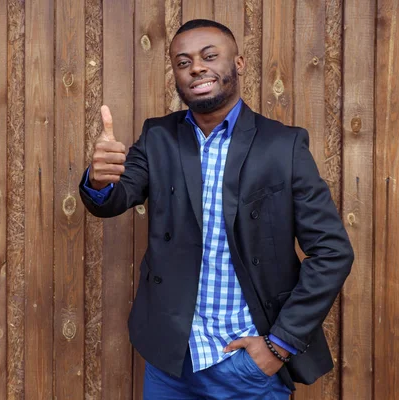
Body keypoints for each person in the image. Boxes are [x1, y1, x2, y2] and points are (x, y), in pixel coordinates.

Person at [79, 19, 354, 399]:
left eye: (210, 56)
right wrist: (99, 180)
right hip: (171, 361)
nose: (196, 67)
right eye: (183, 62)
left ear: (238, 64)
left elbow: (333, 252)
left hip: (248, 364)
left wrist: (278, 346)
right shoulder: (158, 136)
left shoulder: (283, 146)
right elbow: (115, 199)